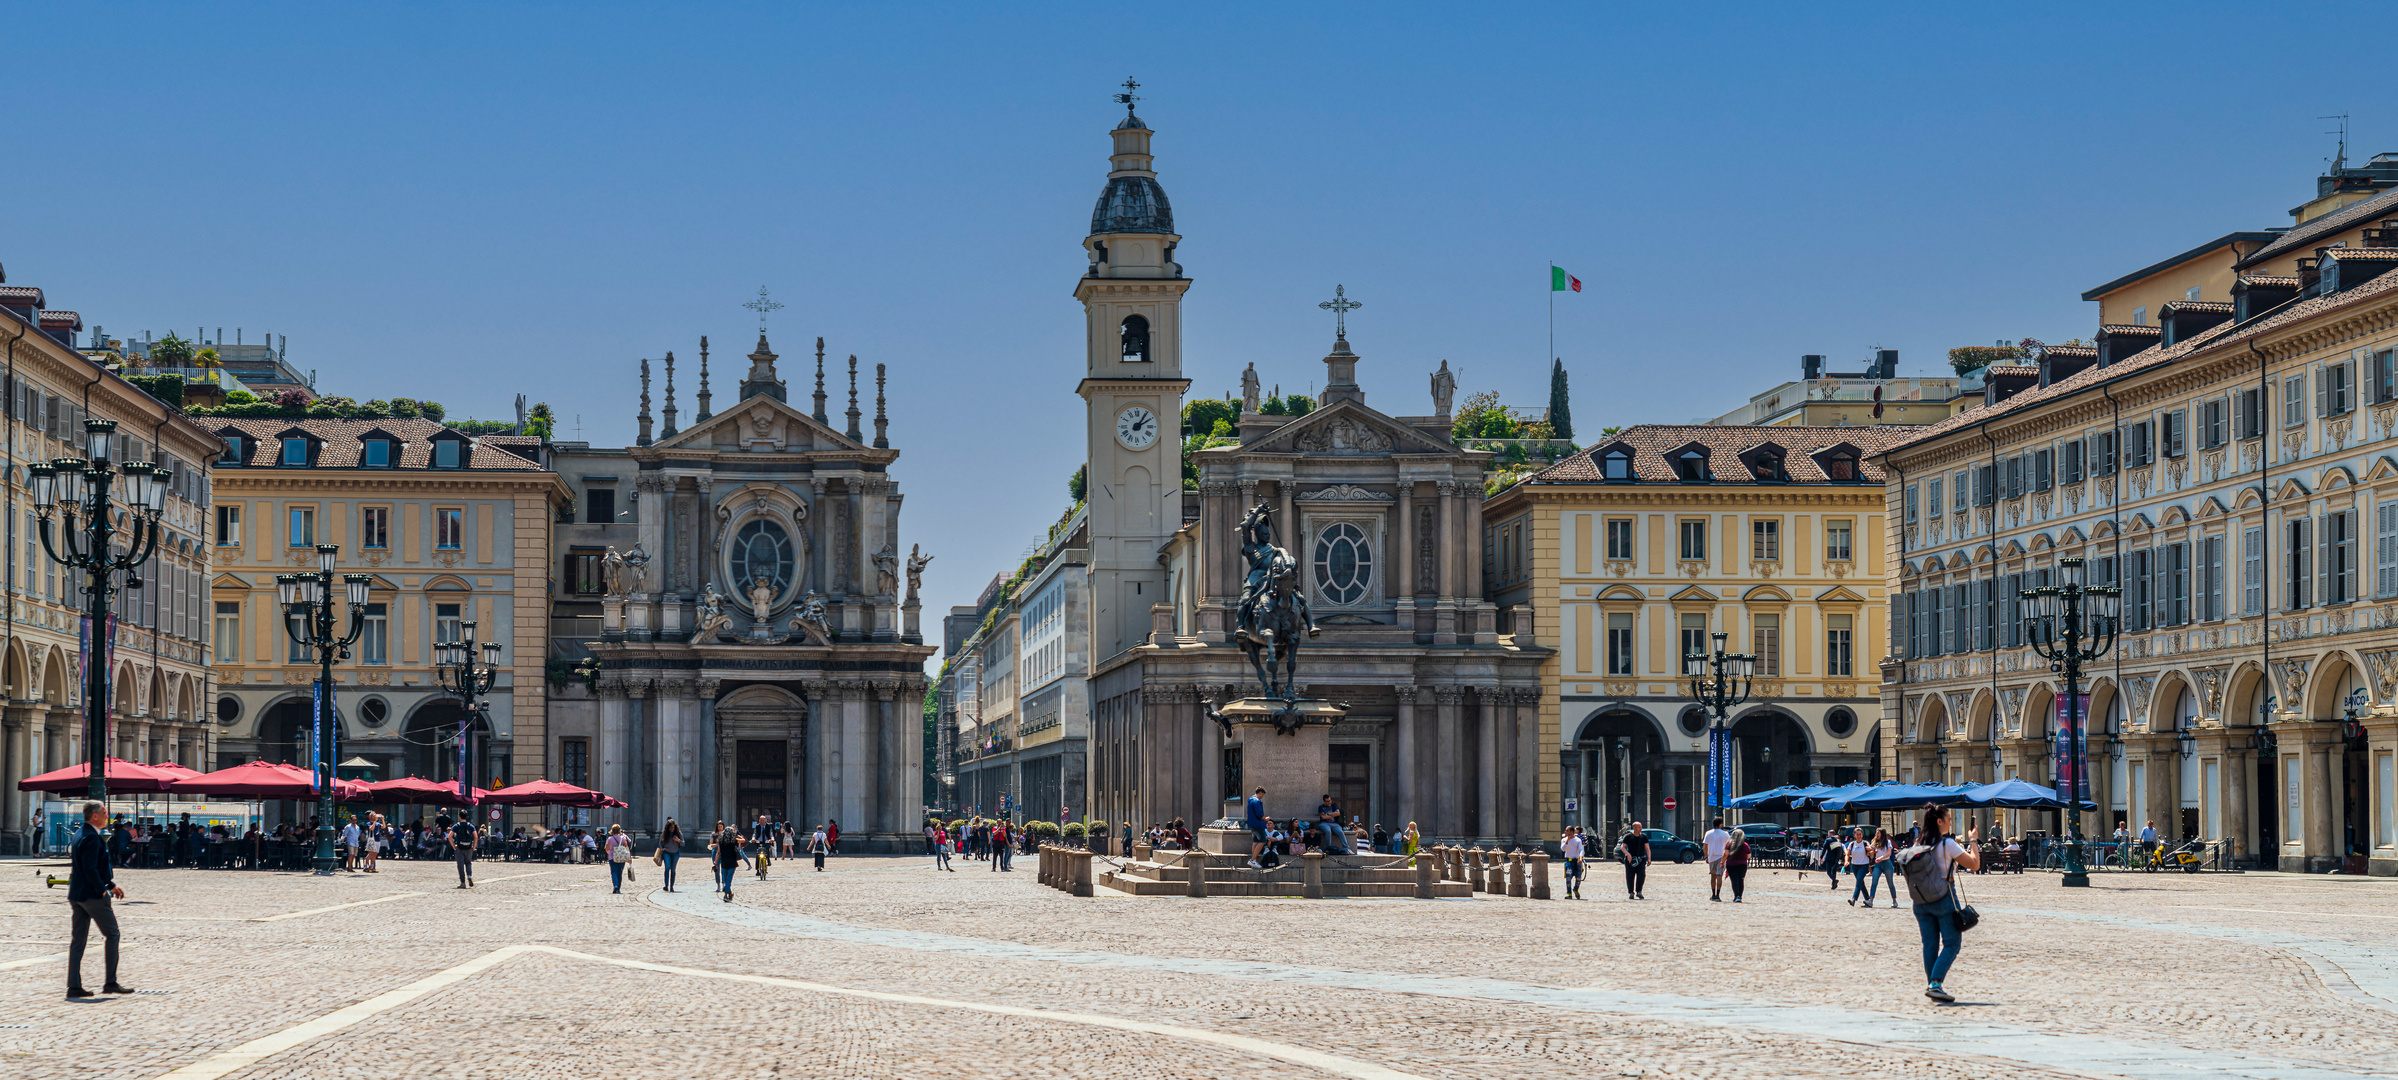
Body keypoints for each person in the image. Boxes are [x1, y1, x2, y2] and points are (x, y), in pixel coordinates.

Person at [1905, 804, 1980, 1002]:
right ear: (1939, 821)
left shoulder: (1917, 844)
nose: (1950, 822)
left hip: (1920, 900)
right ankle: (1935, 983)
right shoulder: (1947, 844)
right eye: (1948, 819)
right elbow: (1974, 864)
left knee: (1929, 945)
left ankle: (1932, 985)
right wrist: (1973, 840)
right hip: (1943, 897)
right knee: (1952, 943)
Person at [67, 802, 130, 999]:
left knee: (78, 941)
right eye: (104, 812)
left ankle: (74, 985)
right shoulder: (91, 838)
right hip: (92, 896)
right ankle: (110, 982)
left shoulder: (80, 833)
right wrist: (103, 890)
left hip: (77, 895)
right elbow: (90, 868)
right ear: (94, 816)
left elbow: (89, 867)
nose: (107, 815)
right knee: (113, 934)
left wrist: (109, 884)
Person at [1616, 821, 1649, 900]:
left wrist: (1649, 858)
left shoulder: (1643, 837)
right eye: (1639, 827)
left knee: (1641, 875)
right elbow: (1622, 847)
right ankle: (1631, 892)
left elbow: (1647, 848)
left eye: (1641, 827)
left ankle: (1639, 891)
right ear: (1634, 828)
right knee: (1630, 876)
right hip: (1630, 859)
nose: (1641, 828)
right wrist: (1628, 854)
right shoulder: (1628, 837)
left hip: (1641, 859)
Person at [1703, 817, 1732, 902]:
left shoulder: (1708, 833)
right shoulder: (1725, 834)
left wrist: (1706, 856)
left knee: (1713, 876)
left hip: (1712, 857)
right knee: (1719, 876)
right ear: (1720, 824)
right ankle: (1718, 895)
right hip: (1722, 857)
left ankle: (1713, 894)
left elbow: (1705, 846)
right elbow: (1729, 844)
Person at [1847, 826, 1876, 907]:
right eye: (1857, 834)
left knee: (1858, 882)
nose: (1858, 836)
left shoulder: (1865, 843)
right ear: (1854, 835)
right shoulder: (1852, 844)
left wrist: (1871, 852)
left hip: (1863, 865)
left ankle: (1854, 899)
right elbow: (1848, 853)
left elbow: (1871, 852)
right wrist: (1846, 861)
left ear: (1862, 835)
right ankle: (1868, 899)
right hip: (1854, 865)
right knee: (1861, 883)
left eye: (1860, 834)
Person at [715, 824, 744, 902]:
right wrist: (736, 835)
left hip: (724, 862)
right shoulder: (733, 840)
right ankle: (726, 894)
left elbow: (718, 852)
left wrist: (715, 862)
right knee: (729, 878)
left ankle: (728, 893)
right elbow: (743, 840)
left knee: (726, 877)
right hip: (732, 862)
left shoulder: (721, 841)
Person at [449, 815, 479, 888]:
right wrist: (474, 847)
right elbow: (476, 837)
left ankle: (463, 882)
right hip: (468, 847)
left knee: (460, 865)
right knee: (468, 862)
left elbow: (449, 836)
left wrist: (453, 846)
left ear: (459, 817)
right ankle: (469, 875)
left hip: (459, 848)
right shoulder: (471, 826)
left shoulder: (456, 826)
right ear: (467, 817)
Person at [1869, 827, 1898, 902]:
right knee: (1874, 882)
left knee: (1890, 883)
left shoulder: (1887, 842)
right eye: (1876, 833)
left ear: (1882, 834)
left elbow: (1889, 853)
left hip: (1886, 863)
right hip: (1878, 864)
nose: (1876, 835)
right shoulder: (1875, 842)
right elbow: (1869, 848)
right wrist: (1871, 851)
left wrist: (1881, 857)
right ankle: (1871, 900)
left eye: (1878, 833)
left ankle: (1894, 900)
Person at [1244, 787, 1270, 870]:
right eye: (1263, 795)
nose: (1262, 797)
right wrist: (1265, 819)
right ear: (1260, 793)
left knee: (1255, 841)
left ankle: (1254, 860)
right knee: (1262, 841)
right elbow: (1259, 813)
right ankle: (1253, 860)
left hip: (1252, 824)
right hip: (1258, 824)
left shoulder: (1251, 800)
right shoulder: (1257, 801)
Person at [605, 824, 634, 893]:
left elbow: (607, 849)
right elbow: (627, 848)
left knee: (614, 872)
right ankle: (618, 889)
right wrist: (630, 857)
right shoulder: (623, 838)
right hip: (621, 857)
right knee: (619, 873)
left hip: (612, 857)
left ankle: (615, 885)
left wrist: (610, 854)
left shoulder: (610, 839)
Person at [1725, 828, 1751, 902]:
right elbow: (1748, 856)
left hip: (1731, 864)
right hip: (1742, 865)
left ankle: (1736, 895)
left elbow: (1726, 854)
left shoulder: (1729, 844)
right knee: (1741, 880)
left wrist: (1723, 861)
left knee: (1734, 880)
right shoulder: (1745, 845)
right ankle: (1740, 896)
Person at [1560, 826, 1586, 899]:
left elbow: (1581, 850)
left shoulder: (1578, 840)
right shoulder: (1564, 840)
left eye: (1567, 830)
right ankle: (1569, 893)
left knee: (1579, 878)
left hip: (1577, 861)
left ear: (1571, 831)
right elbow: (1562, 849)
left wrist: (1581, 859)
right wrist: (1567, 840)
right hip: (1569, 861)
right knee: (1568, 878)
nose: (1565, 832)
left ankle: (1576, 889)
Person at [658, 819, 684, 892]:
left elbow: (683, 843)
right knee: (667, 868)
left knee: (673, 870)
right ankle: (666, 885)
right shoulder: (664, 834)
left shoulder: (679, 833)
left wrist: (678, 840)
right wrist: (662, 848)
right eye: (670, 828)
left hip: (675, 853)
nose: (672, 829)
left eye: (673, 828)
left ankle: (672, 886)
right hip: (667, 852)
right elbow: (660, 842)